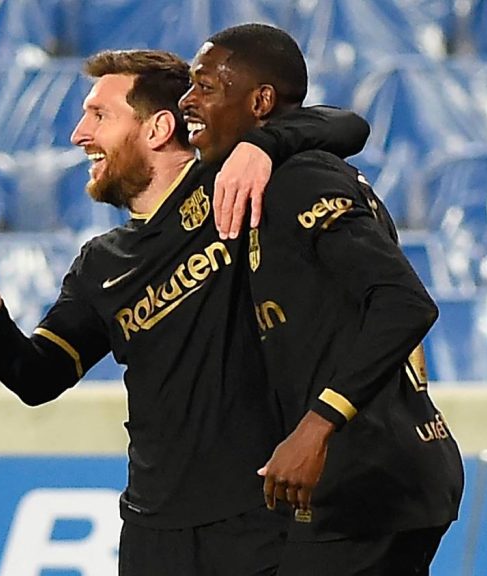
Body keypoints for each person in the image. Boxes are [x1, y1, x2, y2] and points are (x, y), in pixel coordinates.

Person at [0, 49, 369, 575]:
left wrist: (261, 146)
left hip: (259, 521)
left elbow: (347, 126)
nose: (79, 134)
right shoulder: (100, 264)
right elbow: (38, 377)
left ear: (159, 127)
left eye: (99, 115)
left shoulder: (234, 188)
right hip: (152, 533)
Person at [179, 24, 465, 576]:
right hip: (374, 473)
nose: (189, 101)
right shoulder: (283, 173)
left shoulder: (300, 179)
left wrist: (316, 427)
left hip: (366, 476)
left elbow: (405, 302)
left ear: (260, 101)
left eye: (206, 87)